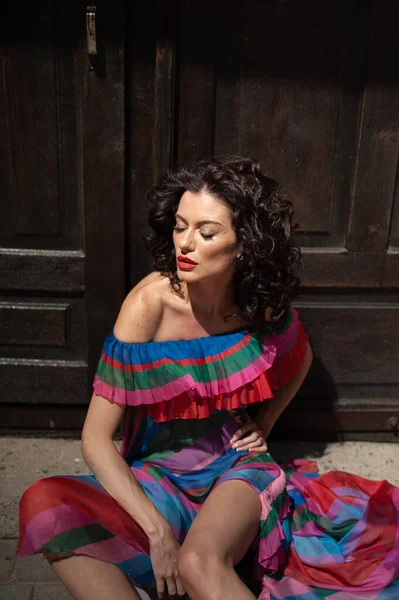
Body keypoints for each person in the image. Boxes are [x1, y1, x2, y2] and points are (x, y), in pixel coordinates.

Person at [17, 157, 399, 600]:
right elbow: (95, 440)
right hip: (160, 477)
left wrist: (265, 425)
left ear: (244, 245)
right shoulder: (148, 305)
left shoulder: (258, 302)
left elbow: (302, 356)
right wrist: (157, 531)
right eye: (180, 226)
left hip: (236, 469)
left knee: (197, 564)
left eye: (207, 232)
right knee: (44, 504)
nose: (186, 243)